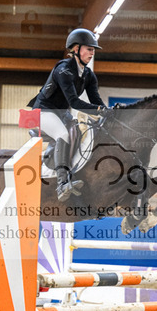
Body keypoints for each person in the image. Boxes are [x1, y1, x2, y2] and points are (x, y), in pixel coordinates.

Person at [31, 28, 114, 202]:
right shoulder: (63, 70)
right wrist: (99, 110)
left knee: (81, 131)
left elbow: (96, 100)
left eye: (93, 50)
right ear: (76, 49)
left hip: (61, 114)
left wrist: (108, 112)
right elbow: (74, 102)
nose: (92, 53)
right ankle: (62, 183)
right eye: (89, 49)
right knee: (63, 134)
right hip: (43, 111)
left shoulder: (88, 75)